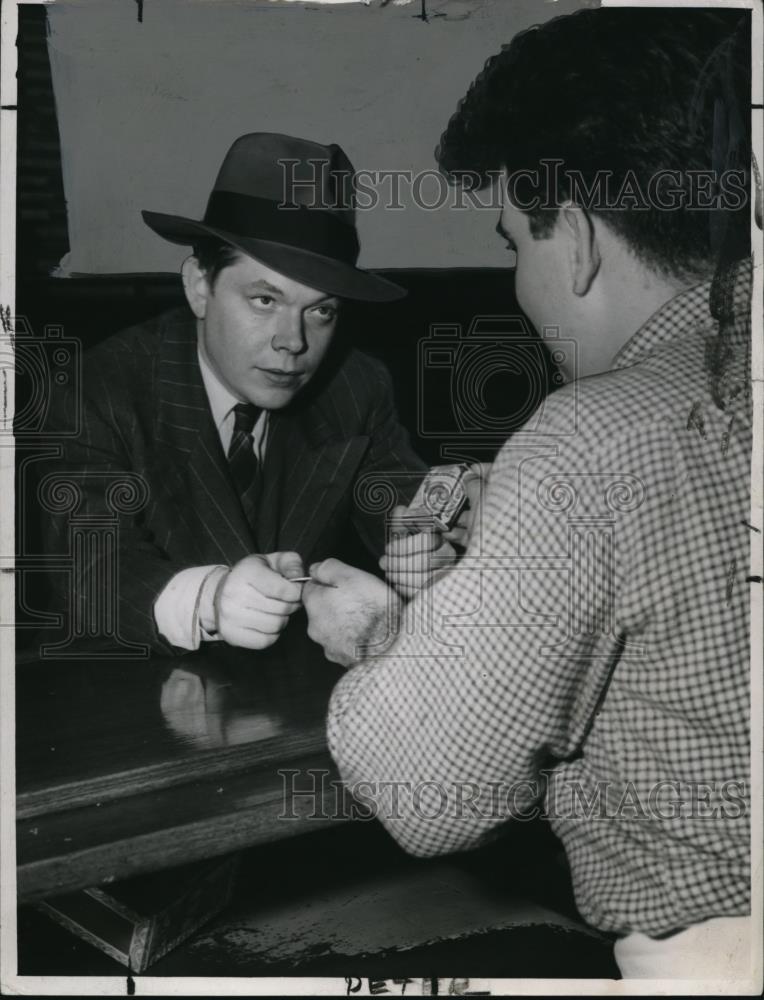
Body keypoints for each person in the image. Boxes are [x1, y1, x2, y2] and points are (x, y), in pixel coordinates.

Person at [303, 9, 756, 981]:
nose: (517, 280)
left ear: (581, 242)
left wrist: (383, 637)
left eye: (513, 242)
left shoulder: (587, 437)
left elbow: (429, 791)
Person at [42, 132, 470, 655]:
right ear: (200, 286)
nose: (294, 341)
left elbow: (406, 514)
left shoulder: (357, 385)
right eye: (265, 299)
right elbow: (91, 567)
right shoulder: (97, 390)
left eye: (322, 310)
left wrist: (435, 555)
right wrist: (210, 600)